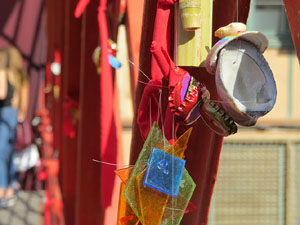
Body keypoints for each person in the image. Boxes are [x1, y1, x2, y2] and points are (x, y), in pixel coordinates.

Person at [0, 46, 29, 207]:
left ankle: (3, 188)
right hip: (13, 112)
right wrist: (21, 112)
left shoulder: (3, 72)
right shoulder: (19, 75)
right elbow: (22, 95)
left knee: (1, 153)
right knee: (8, 152)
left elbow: (2, 93)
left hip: (4, 113)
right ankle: (12, 184)